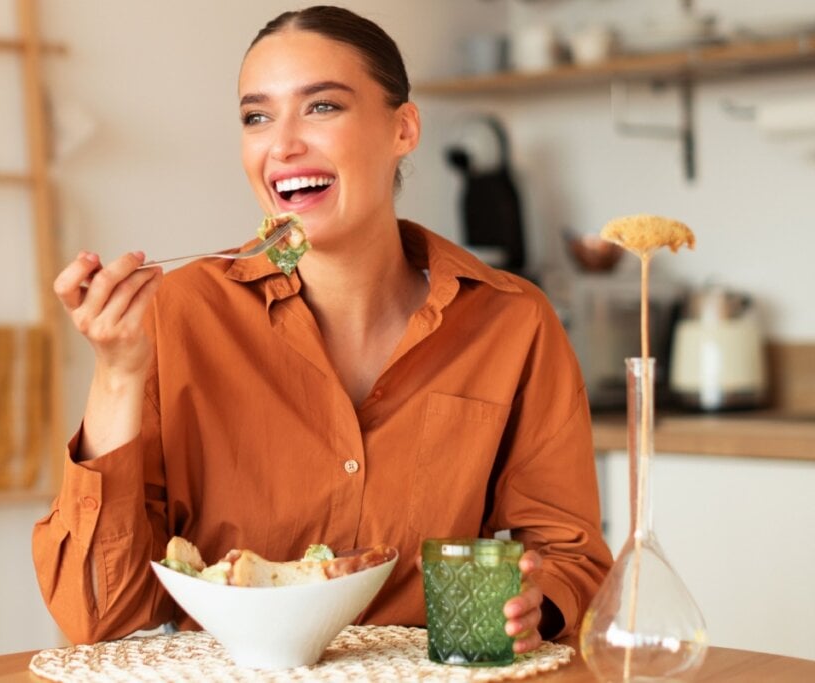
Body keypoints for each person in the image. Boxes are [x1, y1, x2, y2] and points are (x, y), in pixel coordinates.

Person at [33, 5, 612, 653]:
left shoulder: (512, 321)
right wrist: (116, 373)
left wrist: (540, 601)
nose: (281, 144)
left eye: (322, 107)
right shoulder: (182, 312)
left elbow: (570, 556)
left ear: (404, 128)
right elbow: (97, 609)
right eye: (257, 117)